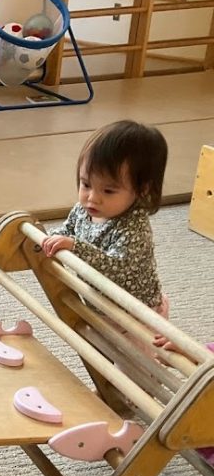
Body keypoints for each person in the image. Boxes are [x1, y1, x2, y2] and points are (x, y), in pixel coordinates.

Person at [40, 120, 170, 343]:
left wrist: (74, 246)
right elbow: (68, 230)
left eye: (108, 190)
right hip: (103, 307)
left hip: (135, 316)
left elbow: (116, 268)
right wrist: (53, 237)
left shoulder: (134, 228)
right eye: (86, 184)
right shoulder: (84, 209)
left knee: (134, 374)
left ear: (142, 189)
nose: (92, 197)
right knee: (102, 357)